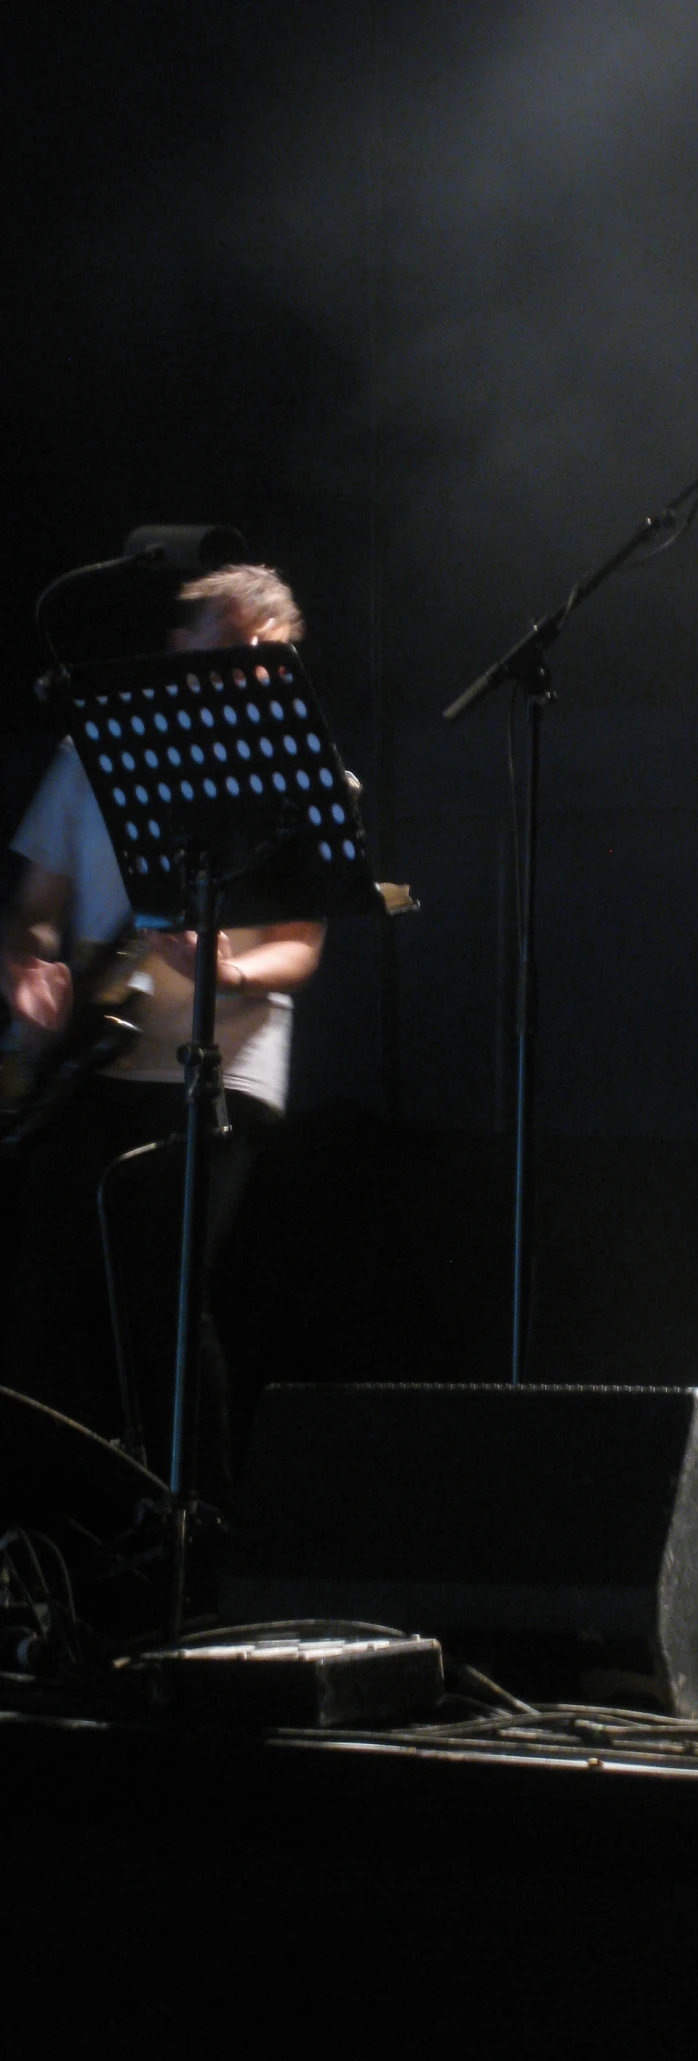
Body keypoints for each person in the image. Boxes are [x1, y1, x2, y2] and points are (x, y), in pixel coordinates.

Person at [1, 562, 324, 1490]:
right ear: (182, 646)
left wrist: (231, 967)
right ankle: (52, 1536)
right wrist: (27, 968)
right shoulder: (94, 749)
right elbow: (31, 910)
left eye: (270, 659)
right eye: (231, 646)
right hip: (95, 1060)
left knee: (166, 1299)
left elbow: (301, 947)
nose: (250, 674)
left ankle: (199, 1534)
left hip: (225, 1065)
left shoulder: (297, 771)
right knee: (47, 1297)